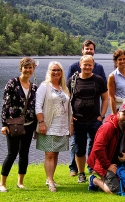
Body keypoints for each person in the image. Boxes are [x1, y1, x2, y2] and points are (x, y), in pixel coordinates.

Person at [67, 39, 108, 177]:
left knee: (96, 145)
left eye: (90, 65)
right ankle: (80, 172)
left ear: (93, 65)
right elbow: (67, 99)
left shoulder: (99, 78)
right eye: (85, 65)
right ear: (80, 65)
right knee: (79, 148)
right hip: (78, 119)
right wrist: (70, 116)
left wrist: (101, 116)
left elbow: (105, 98)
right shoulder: (73, 79)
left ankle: (92, 168)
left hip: (94, 119)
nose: (87, 67)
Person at [87, 103, 125, 194]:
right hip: (103, 163)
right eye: (124, 115)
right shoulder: (108, 127)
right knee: (114, 191)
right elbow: (98, 148)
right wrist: (108, 166)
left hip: (118, 160)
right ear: (118, 114)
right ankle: (94, 180)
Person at [0, 58, 37, 192]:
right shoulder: (12, 83)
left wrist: (37, 127)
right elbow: (6, 105)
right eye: (25, 67)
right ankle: (2, 183)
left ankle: (20, 182)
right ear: (21, 68)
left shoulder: (34, 87)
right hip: (13, 124)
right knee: (12, 153)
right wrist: (4, 124)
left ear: (33, 69)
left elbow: (35, 107)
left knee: (24, 153)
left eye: (30, 67)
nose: (28, 70)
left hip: (29, 124)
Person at [35, 61, 72, 192]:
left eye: (58, 70)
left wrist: (70, 124)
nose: (56, 72)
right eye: (53, 70)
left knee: (55, 153)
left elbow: (69, 107)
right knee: (49, 153)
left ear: (61, 72)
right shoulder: (44, 86)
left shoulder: (63, 88)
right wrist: (41, 123)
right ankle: (50, 181)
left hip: (62, 125)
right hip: (49, 124)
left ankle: (50, 178)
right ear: (48, 72)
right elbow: (37, 106)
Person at [108, 49, 125, 114]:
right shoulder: (112, 76)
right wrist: (114, 114)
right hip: (120, 109)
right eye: (120, 59)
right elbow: (112, 98)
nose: (122, 61)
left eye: (124, 59)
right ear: (116, 61)